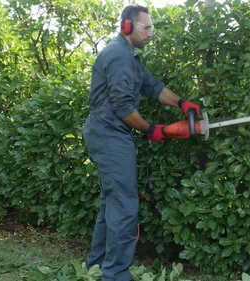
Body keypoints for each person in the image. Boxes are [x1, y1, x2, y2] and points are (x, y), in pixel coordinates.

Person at [82, 5, 201, 281]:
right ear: (126, 26)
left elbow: (153, 87)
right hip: (109, 132)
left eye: (152, 28)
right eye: (145, 27)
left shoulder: (130, 58)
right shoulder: (118, 56)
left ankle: (96, 266)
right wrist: (151, 130)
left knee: (111, 201)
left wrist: (183, 103)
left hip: (110, 132)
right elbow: (123, 107)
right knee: (124, 204)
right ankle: (115, 275)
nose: (150, 33)